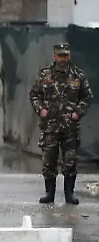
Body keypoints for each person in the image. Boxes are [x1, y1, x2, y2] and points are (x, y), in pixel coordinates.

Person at [29, 43, 93, 204]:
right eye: (60, 56)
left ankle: (69, 193)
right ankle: (49, 193)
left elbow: (87, 97)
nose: (62, 59)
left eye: (65, 55)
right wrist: (41, 109)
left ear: (69, 56)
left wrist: (78, 112)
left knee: (70, 162)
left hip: (70, 127)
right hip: (50, 126)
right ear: (54, 56)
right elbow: (35, 94)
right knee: (49, 161)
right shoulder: (45, 75)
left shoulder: (78, 76)